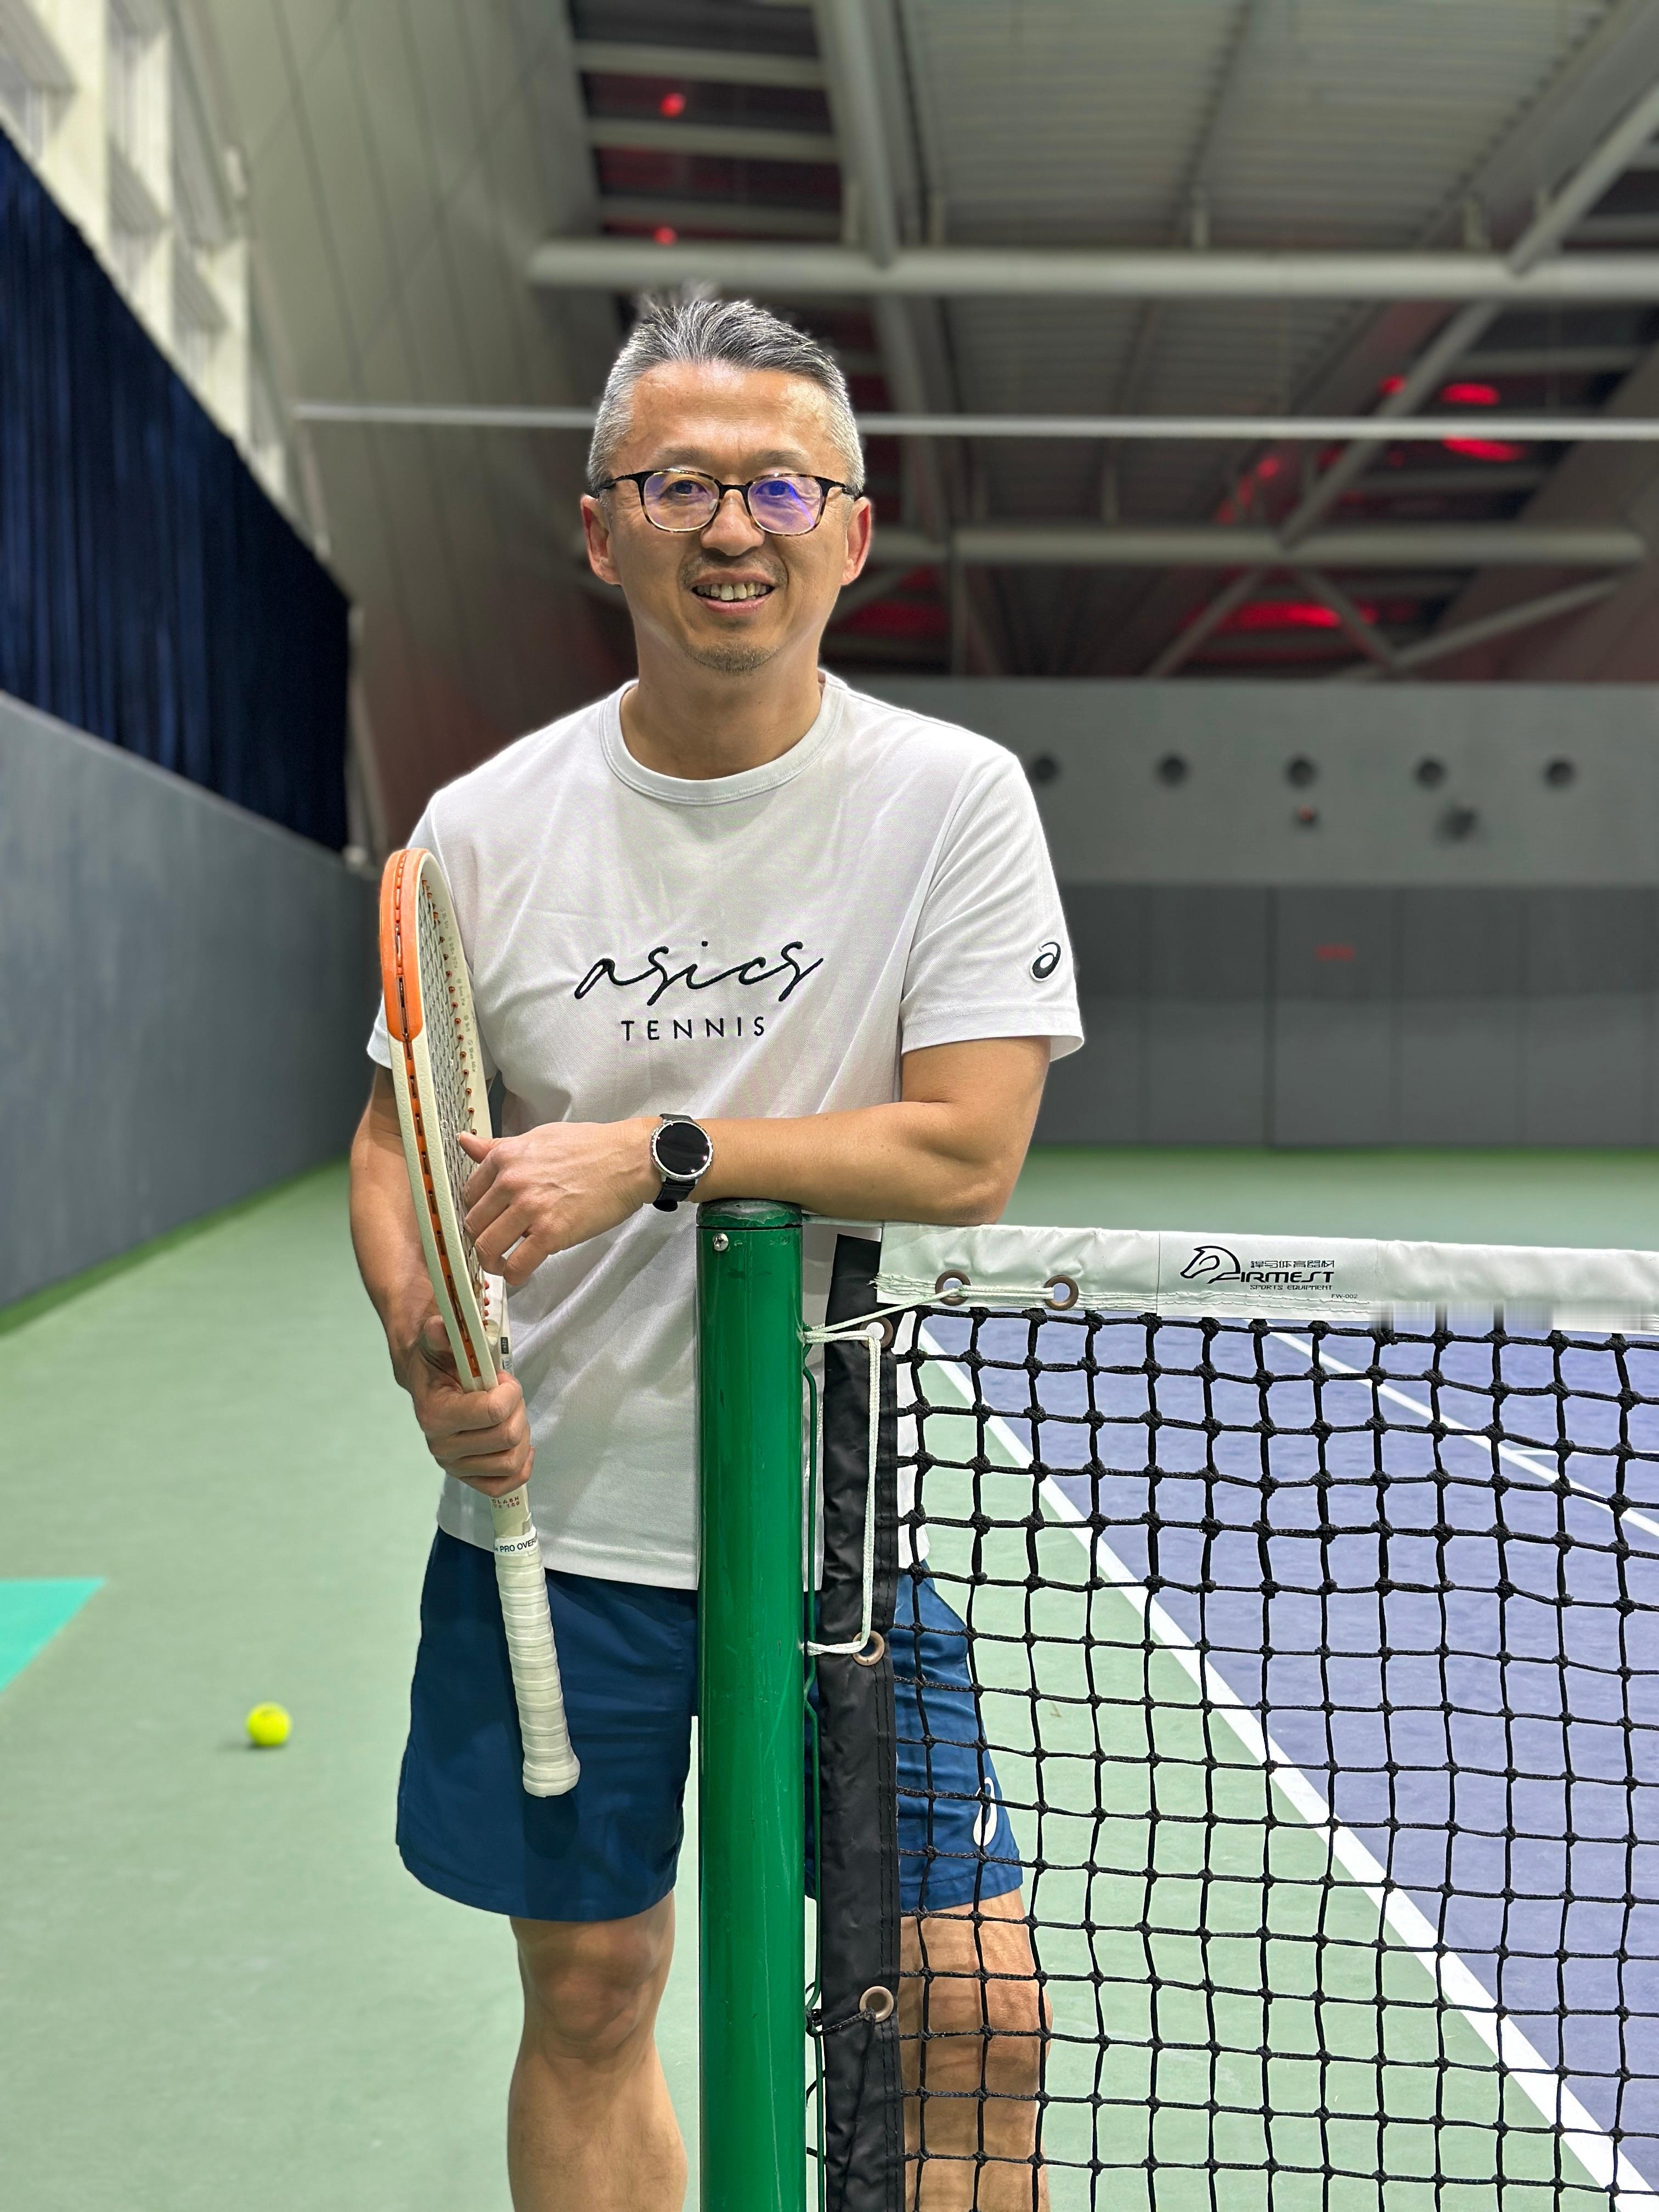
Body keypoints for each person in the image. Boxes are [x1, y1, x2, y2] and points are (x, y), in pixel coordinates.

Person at [348, 294, 1080, 2212]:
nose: (732, 525)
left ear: (854, 529)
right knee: (594, 1997)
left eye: (779, 484)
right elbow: (398, 1137)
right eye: (679, 484)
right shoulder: (486, 828)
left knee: (974, 2015)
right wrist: (429, 1345)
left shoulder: (950, 801)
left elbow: (969, 1147)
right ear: (603, 528)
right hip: (565, 1533)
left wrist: (662, 1157)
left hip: (841, 1538)